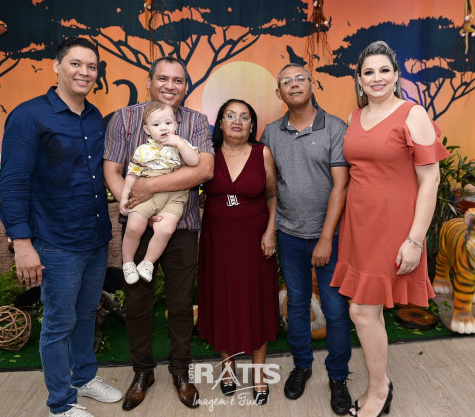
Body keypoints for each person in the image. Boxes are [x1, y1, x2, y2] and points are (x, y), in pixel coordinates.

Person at [0, 37, 123, 417]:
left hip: (95, 237)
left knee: (86, 314)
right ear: (56, 66)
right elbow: (13, 183)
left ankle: (84, 378)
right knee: (58, 322)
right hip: (55, 241)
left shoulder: (95, 116)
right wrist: (22, 243)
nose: (85, 72)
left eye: (92, 66)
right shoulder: (28, 116)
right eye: (76, 64)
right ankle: (60, 402)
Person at [330, 41, 450, 417]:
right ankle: (380, 383)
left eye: (384, 70)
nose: (377, 78)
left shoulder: (412, 114)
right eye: (368, 72)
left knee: (361, 313)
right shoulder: (354, 116)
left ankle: (379, 391)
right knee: (369, 310)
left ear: (396, 75)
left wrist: (415, 240)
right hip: (358, 226)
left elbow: (430, 180)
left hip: (392, 228)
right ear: (359, 79)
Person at [103, 56, 214, 410]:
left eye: (178, 80)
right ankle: (142, 372)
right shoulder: (124, 118)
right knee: (137, 303)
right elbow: (113, 170)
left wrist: (150, 189)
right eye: (163, 78)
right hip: (137, 225)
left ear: (186, 86)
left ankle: (181, 372)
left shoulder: (196, 121)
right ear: (149, 81)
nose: (170, 85)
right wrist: (135, 205)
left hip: (181, 224)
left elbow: (203, 171)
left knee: (180, 305)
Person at [260, 63, 352, 415]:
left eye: (301, 79)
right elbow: (271, 188)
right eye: (287, 81)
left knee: (335, 309)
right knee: (297, 304)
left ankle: (338, 376)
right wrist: (271, 229)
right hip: (289, 235)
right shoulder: (271, 133)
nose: (294, 84)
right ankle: (301, 366)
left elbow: (341, 186)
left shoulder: (335, 128)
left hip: (330, 236)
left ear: (313, 85)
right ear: (279, 92)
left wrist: (326, 238)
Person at [197, 99, 279, 405]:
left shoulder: (262, 153)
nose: (237, 121)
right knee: (221, 300)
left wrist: (270, 232)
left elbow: (273, 195)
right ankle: (228, 369)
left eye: (244, 117)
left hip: (255, 242)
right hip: (217, 241)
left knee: (256, 301)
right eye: (230, 115)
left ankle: (259, 375)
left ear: (252, 126)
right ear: (219, 122)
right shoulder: (208, 154)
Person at [120, 100, 200, 284]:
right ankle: (128, 262)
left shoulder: (182, 145)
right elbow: (132, 175)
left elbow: (194, 161)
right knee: (134, 225)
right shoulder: (143, 150)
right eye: (156, 125)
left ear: (175, 125)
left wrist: (180, 143)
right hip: (148, 193)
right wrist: (124, 197)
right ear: (147, 130)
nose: (163, 128)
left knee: (166, 229)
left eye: (168, 123)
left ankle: (147, 262)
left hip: (176, 195)